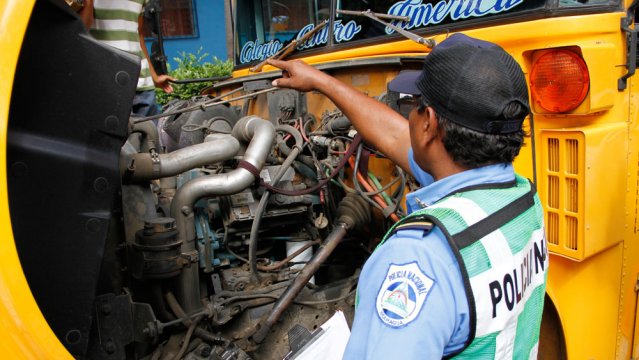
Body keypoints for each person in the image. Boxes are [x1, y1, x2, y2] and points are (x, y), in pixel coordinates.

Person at [268, 33, 548, 359]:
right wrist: (320, 82)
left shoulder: (417, 257)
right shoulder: (521, 199)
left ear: (428, 124)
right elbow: (393, 134)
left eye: (414, 106)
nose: (408, 117)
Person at [83, 0, 174, 116]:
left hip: (142, 83)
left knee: (151, 133)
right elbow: (79, 29)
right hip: (107, 83)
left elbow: (138, 33)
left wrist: (154, 76)